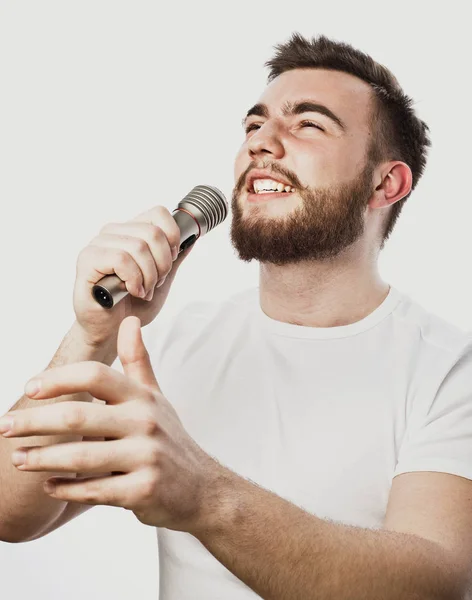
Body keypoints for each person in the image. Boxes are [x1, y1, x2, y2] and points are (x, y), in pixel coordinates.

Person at [1, 32, 471, 600]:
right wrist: (93, 333)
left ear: (385, 182)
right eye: (254, 125)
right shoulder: (172, 342)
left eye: (308, 124)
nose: (261, 143)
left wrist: (203, 495)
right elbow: (11, 513)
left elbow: (433, 585)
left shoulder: (451, 369)